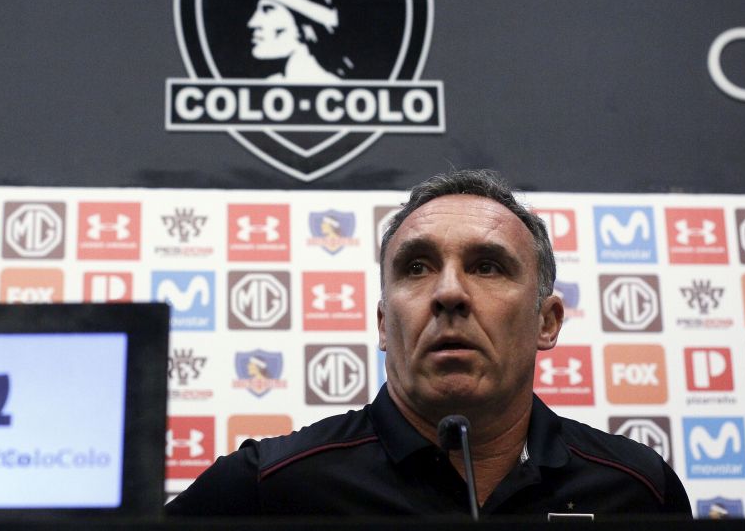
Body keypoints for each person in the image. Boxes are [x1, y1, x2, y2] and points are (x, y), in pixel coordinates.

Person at [166, 169, 691, 518]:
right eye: (417, 267)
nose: (449, 293)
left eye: (487, 266)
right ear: (382, 323)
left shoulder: (637, 490)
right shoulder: (266, 486)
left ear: (547, 322)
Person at [247, 0, 352, 82]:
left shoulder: (334, 85)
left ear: (306, 26)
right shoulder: (272, 82)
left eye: (268, 9)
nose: (252, 23)